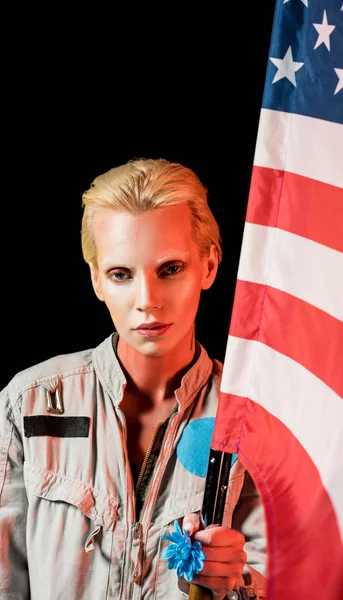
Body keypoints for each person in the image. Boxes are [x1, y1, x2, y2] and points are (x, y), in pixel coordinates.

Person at [0, 158, 266, 599]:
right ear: (97, 281)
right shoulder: (29, 404)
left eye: (170, 269)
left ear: (210, 266)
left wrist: (236, 584)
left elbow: (289, 577)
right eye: (121, 274)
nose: (147, 301)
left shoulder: (250, 418)